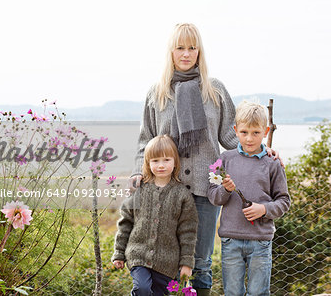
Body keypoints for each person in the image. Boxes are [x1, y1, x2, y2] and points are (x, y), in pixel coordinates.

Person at [129, 23, 280, 295]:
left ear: (199, 51)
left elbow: (232, 136)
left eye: (192, 48)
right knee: (166, 262)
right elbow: (146, 139)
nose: (186, 54)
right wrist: (137, 173)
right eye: (180, 48)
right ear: (171, 51)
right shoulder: (157, 93)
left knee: (201, 262)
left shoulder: (215, 90)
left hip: (207, 190)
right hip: (166, 190)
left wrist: (260, 150)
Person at [207, 100, 291, 296]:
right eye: (244, 132)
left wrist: (264, 209)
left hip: (260, 241)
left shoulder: (272, 164)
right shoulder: (224, 159)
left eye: (256, 133)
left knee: (258, 292)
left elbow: (284, 201)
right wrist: (226, 190)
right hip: (231, 240)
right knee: (232, 292)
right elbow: (214, 197)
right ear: (236, 130)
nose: (250, 138)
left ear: (266, 131)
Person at [113, 135, 198, 296]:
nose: (161, 165)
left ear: (175, 162)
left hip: (167, 262)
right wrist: (119, 252)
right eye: (155, 161)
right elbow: (126, 223)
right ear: (147, 163)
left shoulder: (182, 195)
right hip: (138, 255)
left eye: (166, 160)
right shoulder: (139, 191)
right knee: (142, 288)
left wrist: (186, 262)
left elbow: (188, 231)